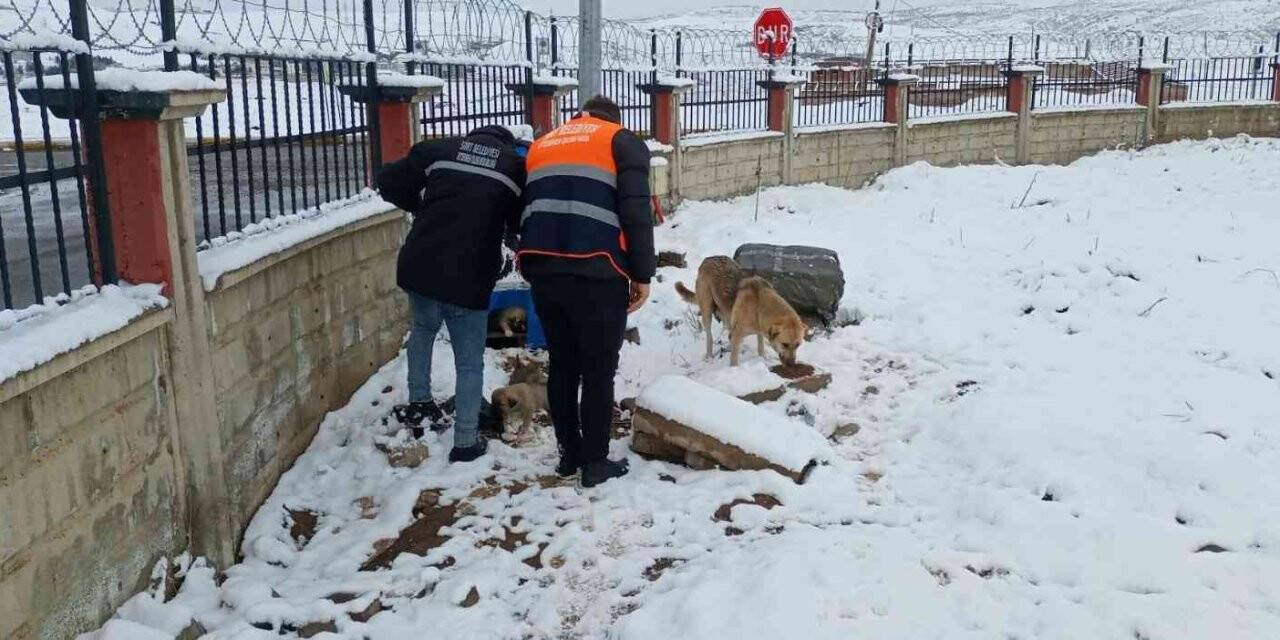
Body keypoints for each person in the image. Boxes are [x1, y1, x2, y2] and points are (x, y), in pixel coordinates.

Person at [516, 95, 657, 487]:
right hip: (597, 271)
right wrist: (642, 274)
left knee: (563, 363)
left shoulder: (544, 143)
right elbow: (635, 212)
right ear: (612, 119)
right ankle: (595, 462)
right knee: (598, 368)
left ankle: (568, 455)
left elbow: (524, 207)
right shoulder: (620, 140)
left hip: (543, 268)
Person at [376, 125, 527, 463]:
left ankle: (420, 405)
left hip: (421, 264)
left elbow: (387, 180)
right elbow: (519, 223)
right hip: (469, 274)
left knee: (423, 329)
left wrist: (420, 206)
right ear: (507, 145)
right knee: (469, 361)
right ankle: (465, 441)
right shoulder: (513, 167)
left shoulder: (441, 150)